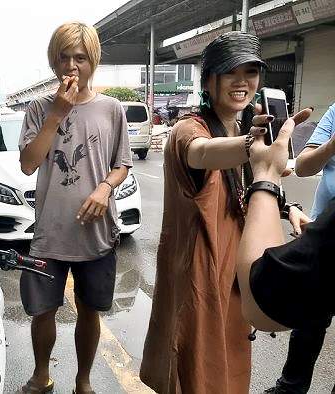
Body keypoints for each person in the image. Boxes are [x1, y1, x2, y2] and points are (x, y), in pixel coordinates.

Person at [139, 32, 310, 394]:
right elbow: (202, 152)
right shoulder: (190, 129)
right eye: (230, 72)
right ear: (208, 80)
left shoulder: (245, 127)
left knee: (231, 369)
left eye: (251, 72)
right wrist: (251, 146)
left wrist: (288, 207)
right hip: (201, 276)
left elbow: (248, 189)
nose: (242, 81)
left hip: (235, 274)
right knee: (195, 373)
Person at [18, 22, 131, 394]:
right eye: (63, 57)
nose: (71, 66)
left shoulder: (111, 109)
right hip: (50, 232)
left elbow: (122, 163)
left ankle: (83, 381)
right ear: (53, 62)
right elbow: (29, 163)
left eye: (79, 58)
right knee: (42, 311)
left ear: (92, 61)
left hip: (95, 233)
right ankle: (41, 375)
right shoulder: (38, 108)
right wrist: (57, 113)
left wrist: (104, 187)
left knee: (89, 310)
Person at [235, 107, 335, 394]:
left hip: (324, 238)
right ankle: (291, 386)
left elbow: (262, 295)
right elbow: (304, 166)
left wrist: (265, 176)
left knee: (310, 311)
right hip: (319, 227)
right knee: (312, 320)